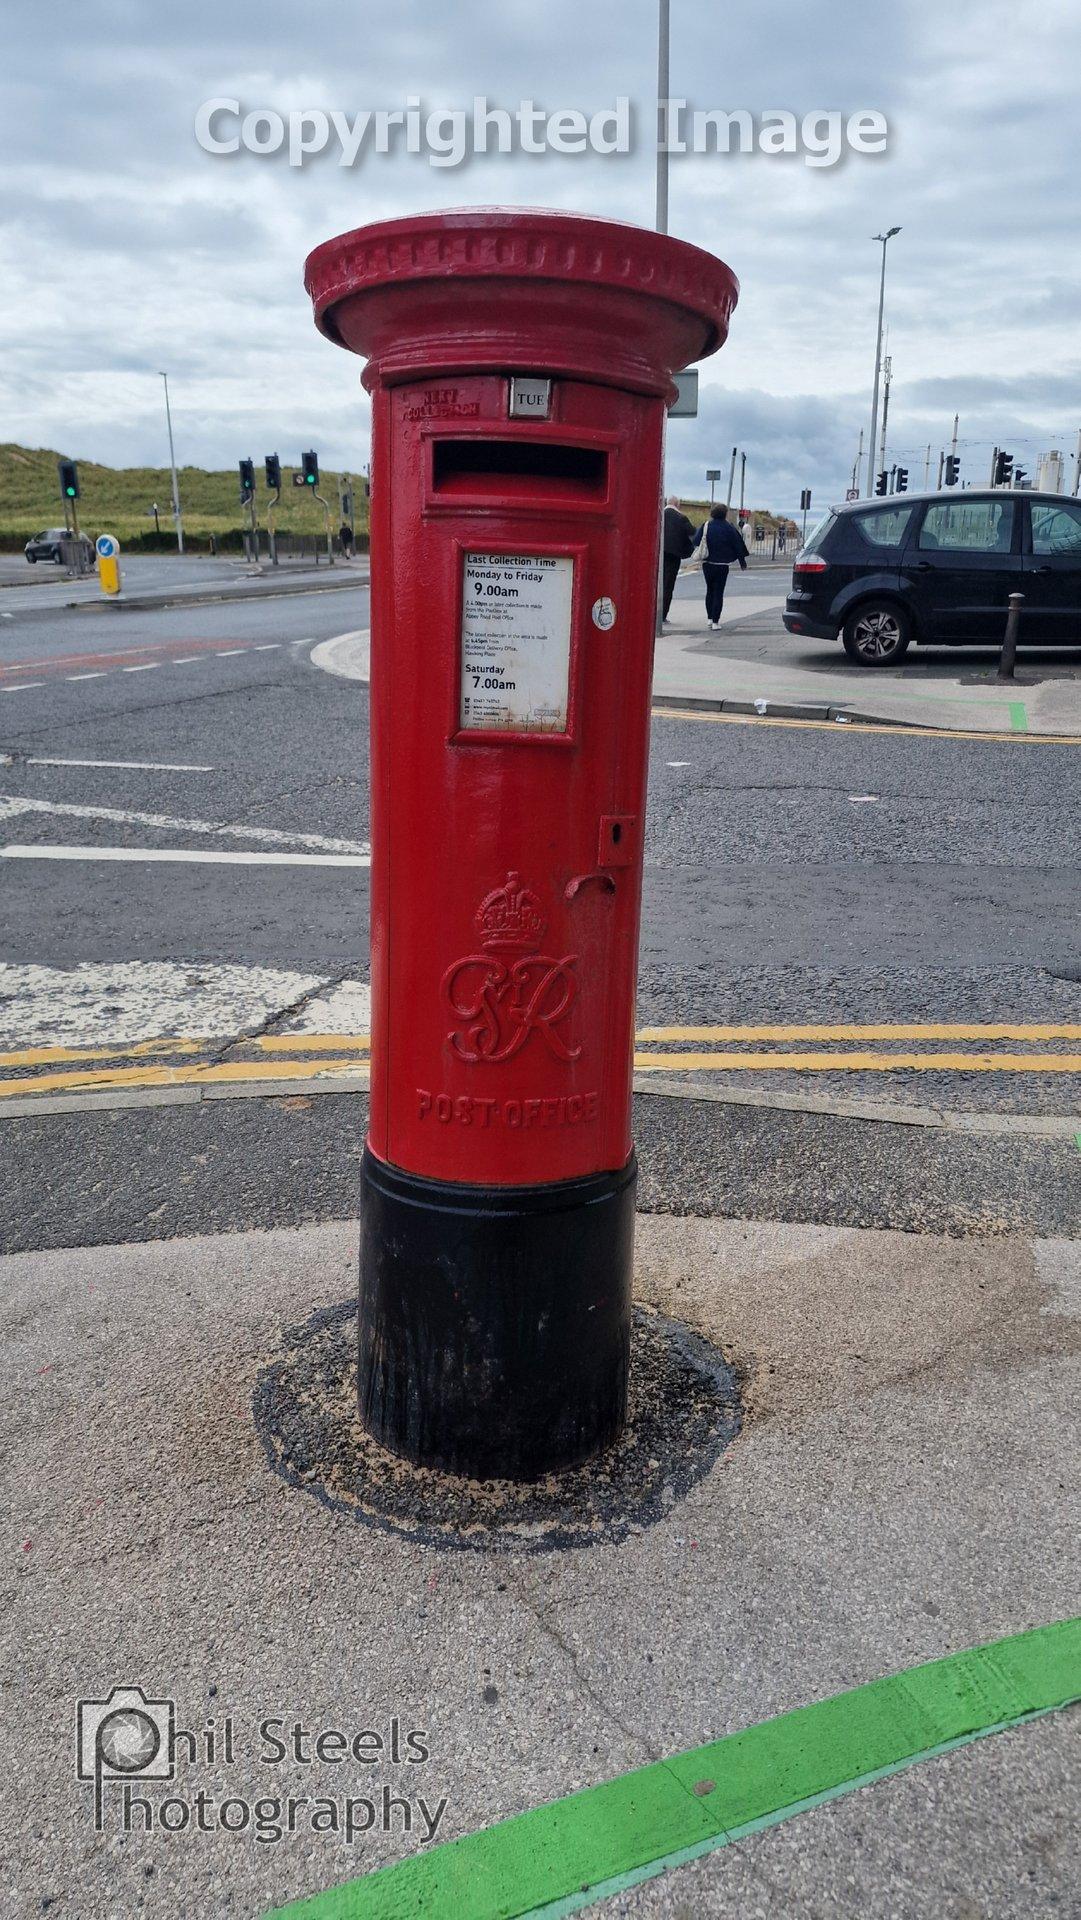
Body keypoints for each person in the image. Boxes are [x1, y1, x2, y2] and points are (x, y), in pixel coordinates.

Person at [690, 503, 749, 628]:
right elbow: (738, 545)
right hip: (722, 565)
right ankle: (716, 621)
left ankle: (709, 618)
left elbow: (696, 540)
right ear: (725, 514)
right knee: (718, 592)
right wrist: (742, 562)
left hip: (708, 563)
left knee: (709, 590)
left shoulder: (706, 525)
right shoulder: (729, 528)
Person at [661, 497, 696, 620]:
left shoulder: (659, 514)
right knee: (668, 586)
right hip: (673, 555)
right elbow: (692, 531)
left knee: (656, 584)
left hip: (658, 555)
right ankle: (663, 615)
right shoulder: (681, 517)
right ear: (677, 504)